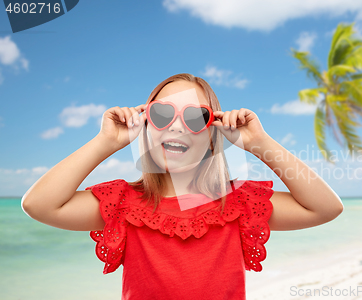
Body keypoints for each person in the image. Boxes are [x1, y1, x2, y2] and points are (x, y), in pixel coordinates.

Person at [21, 73, 344, 300]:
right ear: (146, 124)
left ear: (212, 134)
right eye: (162, 114)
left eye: (195, 118)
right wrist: (106, 142)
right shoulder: (123, 203)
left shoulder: (239, 203)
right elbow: (39, 205)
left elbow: (326, 208)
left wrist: (258, 143)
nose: (177, 125)